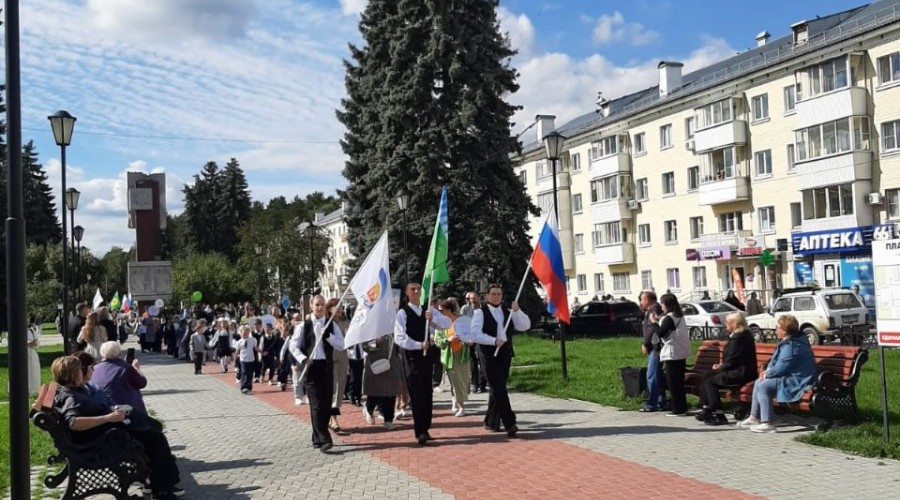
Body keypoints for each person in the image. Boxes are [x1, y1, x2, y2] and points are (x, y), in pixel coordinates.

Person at [51, 355, 183, 499]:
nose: (90, 369)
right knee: (156, 438)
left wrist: (111, 413)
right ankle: (163, 489)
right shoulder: (71, 396)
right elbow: (74, 423)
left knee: (152, 433)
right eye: (86, 368)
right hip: (100, 443)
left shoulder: (74, 391)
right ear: (75, 372)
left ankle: (164, 486)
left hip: (104, 436)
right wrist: (107, 418)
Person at [470, 284, 531, 437]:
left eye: (499, 294)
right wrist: (492, 340)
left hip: (504, 354)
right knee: (498, 387)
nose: (496, 296)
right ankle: (510, 421)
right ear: (487, 296)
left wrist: (518, 311)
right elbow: (474, 334)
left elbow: (525, 326)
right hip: (488, 353)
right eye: (493, 294)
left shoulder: (508, 312)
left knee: (498, 387)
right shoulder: (480, 313)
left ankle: (491, 421)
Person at [737, 314, 816, 433]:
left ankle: (768, 423)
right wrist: (766, 372)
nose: (776, 329)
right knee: (759, 382)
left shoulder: (793, 345)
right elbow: (778, 363)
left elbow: (782, 366)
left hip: (797, 380)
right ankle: (754, 417)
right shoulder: (789, 341)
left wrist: (768, 374)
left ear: (784, 331)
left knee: (764, 385)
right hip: (789, 376)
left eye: (777, 327)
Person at [395, 283, 451, 446]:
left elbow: (447, 323)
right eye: (412, 289)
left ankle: (425, 427)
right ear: (407, 293)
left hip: (427, 357)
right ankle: (419, 431)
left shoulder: (428, 311)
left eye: (418, 289)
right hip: (412, 357)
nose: (416, 292)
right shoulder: (403, 313)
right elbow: (400, 337)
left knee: (427, 393)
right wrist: (418, 345)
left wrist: (433, 318)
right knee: (416, 393)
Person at [289, 295, 346, 452]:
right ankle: (325, 438)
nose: (320, 307)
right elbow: (293, 346)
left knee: (326, 404)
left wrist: (327, 335)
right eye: (317, 305)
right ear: (311, 306)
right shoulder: (303, 326)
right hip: (311, 366)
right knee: (316, 404)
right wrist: (303, 358)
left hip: (326, 366)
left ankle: (316, 438)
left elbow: (341, 345)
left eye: (322, 305)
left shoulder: (331, 325)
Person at [696, 313, 757, 425]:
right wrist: (721, 366)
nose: (725, 324)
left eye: (727, 322)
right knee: (706, 375)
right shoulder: (741, 335)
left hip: (741, 374)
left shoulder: (739, 338)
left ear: (734, 324)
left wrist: (720, 367)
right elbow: (733, 359)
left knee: (710, 381)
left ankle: (715, 411)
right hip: (738, 370)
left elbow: (732, 359)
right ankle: (707, 408)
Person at [649, 293, 690, 416]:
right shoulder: (679, 316)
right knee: (679, 382)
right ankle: (682, 406)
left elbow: (660, 333)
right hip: (681, 352)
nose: (661, 305)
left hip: (673, 353)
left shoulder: (669, 318)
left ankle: (677, 409)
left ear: (666, 304)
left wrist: (654, 322)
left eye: (662, 303)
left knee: (673, 382)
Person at [434, 298, 472, 417]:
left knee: (463, 381)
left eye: (442, 310)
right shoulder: (440, 325)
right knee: (455, 382)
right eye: (439, 310)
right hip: (449, 357)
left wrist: (470, 340)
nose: (440, 313)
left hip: (462, 356)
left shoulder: (461, 320)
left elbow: (470, 334)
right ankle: (461, 407)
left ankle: (455, 400)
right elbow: (437, 341)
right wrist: (448, 340)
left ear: (449, 310)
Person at [361, 334, 403, 430]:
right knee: (375, 391)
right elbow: (365, 347)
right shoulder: (371, 329)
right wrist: (376, 343)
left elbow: (400, 346)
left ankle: (388, 420)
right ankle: (368, 408)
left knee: (391, 392)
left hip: (391, 364)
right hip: (375, 364)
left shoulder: (393, 330)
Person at [326, 299, 351, 436]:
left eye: (341, 306)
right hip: (332, 359)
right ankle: (332, 419)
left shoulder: (344, 322)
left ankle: (332, 417)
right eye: (336, 306)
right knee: (334, 388)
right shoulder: (327, 323)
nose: (339, 309)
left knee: (340, 387)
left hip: (343, 358)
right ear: (329, 308)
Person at [638, 291, 666, 413]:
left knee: (651, 375)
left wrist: (645, 343)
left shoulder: (652, 310)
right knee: (657, 376)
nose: (640, 302)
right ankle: (661, 401)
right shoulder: (655, 309)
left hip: (655, 347)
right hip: (657, 346)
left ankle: (652, 403)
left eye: (642, 299)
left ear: (648, 300)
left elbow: (650, 330)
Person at [462, 292, 487, 394]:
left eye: (474, 299)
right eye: (470, 299)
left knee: (483, 362)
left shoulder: (484, 309)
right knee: (473, 362)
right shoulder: (465, 309)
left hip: (482, 338)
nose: (472, 301)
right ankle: (475, 384)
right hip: (470, 339)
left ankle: (483, 384)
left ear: (479, 299)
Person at [234, 325, 259, 394]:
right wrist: (235, 360)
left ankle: (249, 387)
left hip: (251, 359)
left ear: (248, 333)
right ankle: (244, 387)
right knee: (244, 373)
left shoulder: (252, 340)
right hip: (243, 359)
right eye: (243, 333)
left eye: (246, 333)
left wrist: (261, 352)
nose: (244, 335)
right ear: (241, 333)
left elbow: (255, 348)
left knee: (250, 374)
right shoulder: (239, 342)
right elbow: (237, 352)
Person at [27, 318, 42, 395]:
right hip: (25, 353)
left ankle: (35, 389)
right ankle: (27, 389)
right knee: (27, 370)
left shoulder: (31, 330)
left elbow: (37, 341)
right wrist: (31, 343)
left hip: (33, 352)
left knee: (34, 370)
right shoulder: (19, 330)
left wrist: (35, 343)